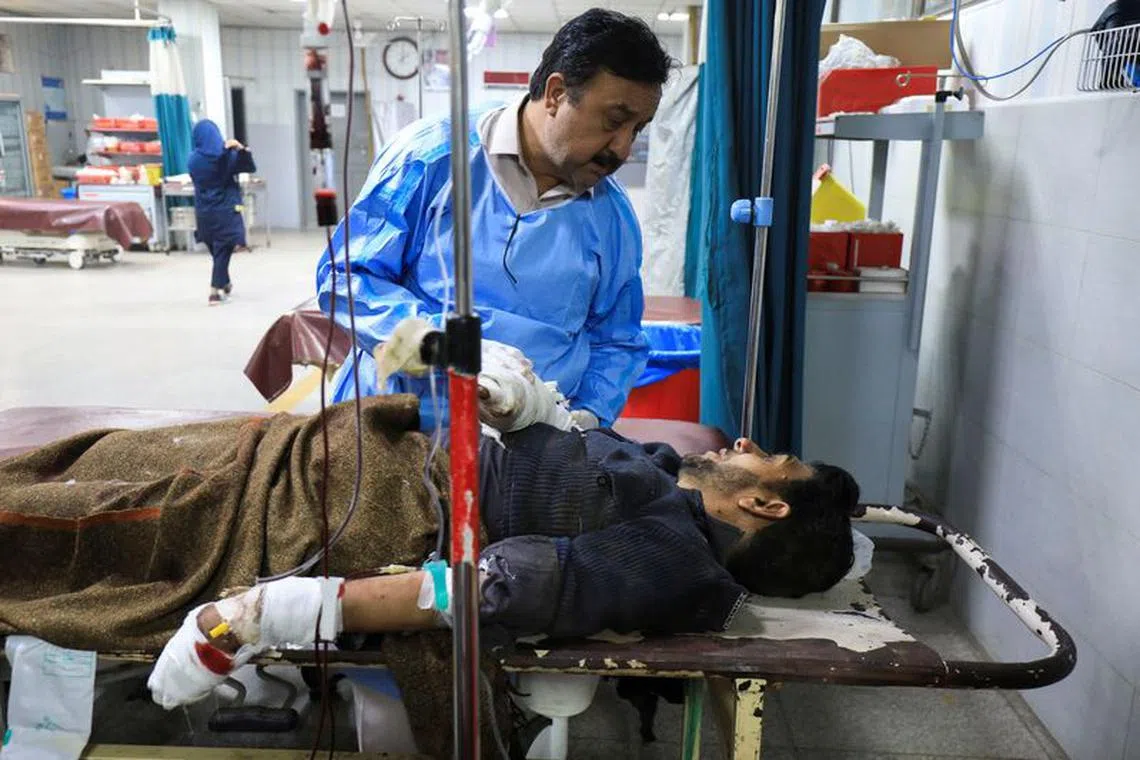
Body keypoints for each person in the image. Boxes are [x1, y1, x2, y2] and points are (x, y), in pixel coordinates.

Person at [0, 392, 858, 710]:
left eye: (764, 455)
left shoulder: (673, 559)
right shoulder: (667, 477)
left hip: (360, 505)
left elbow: (494, 590)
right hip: (362, 449)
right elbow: (570, 447)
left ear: (763, 503)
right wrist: (527, 405)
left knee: (87, 525)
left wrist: (267, 610)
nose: (743, 441)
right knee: (102, 456)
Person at [316, 8, 675, 428]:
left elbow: (618, 340)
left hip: (531, 444)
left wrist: (586, 418)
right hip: (403, 425)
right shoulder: (431, 161)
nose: (623, 149)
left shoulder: (611, 219)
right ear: (557, 93)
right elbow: (348, 279)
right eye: (614, 122)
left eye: (638, 129)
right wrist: (448, 347)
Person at [188, 119, 256, 306]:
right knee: (223, 251)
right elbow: (249, 167)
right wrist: (240, 149)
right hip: (225, 211)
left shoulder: (193, 160)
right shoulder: (226, 157)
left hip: (204, 213)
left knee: (217, 251)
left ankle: (224, 282)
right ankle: (214, 292)